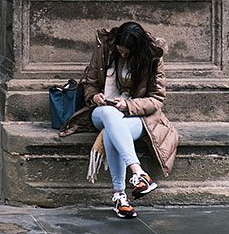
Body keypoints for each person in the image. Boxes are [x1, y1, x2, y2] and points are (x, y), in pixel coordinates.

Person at [56, 21, 180, 219]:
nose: (122, 55)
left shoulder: (153, 57)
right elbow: (90, 82)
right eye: (120, 51)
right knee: (110, 115)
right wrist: (95, 96)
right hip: (101, 111)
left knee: (112, 132)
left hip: (137, 116)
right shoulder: (105, 48)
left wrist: (127, 106)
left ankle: (120, 196)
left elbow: (156, 100)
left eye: (126, 53)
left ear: (137, 50)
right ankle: (138, 172)